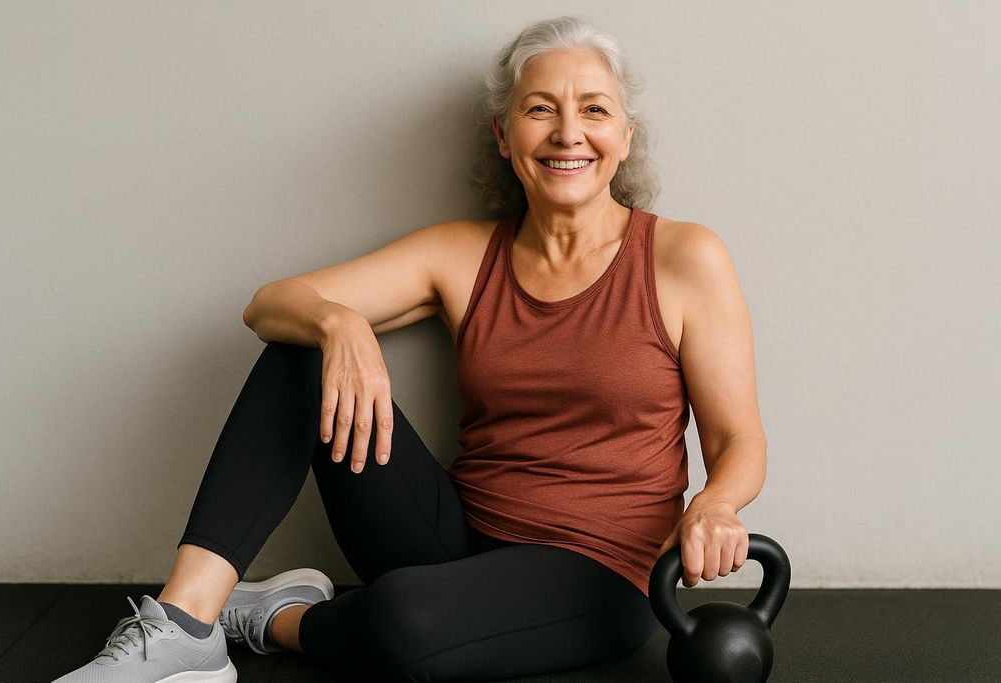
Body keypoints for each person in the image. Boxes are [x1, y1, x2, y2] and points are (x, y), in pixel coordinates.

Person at [54, 14, 767, 683]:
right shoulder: (461, 254)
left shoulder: (682, 257)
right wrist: (341, 325)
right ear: (503, 133)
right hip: (451, 536)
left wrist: (714, 503)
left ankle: (274, 617)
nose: (567, 132)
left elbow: (738, 438)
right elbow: (268, 303)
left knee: (405, 617)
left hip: (603, 570)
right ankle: (186, 622)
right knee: (302, 349)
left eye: (594, 109)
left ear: (625, 134)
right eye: (541, 107)